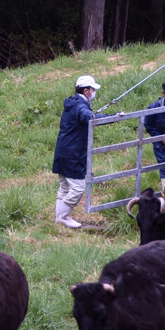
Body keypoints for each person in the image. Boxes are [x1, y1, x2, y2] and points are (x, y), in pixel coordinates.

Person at [51, 74, 110, 228]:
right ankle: (64, 216)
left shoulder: (73, 103)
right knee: (78, 188)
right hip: (73, 153)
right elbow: (88, 117)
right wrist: (112, 117)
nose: (94, 92)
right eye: (92, 89)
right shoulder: (79, 106)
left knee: (64, 186)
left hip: (63, 150)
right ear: (86, 91)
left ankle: (60, 218)